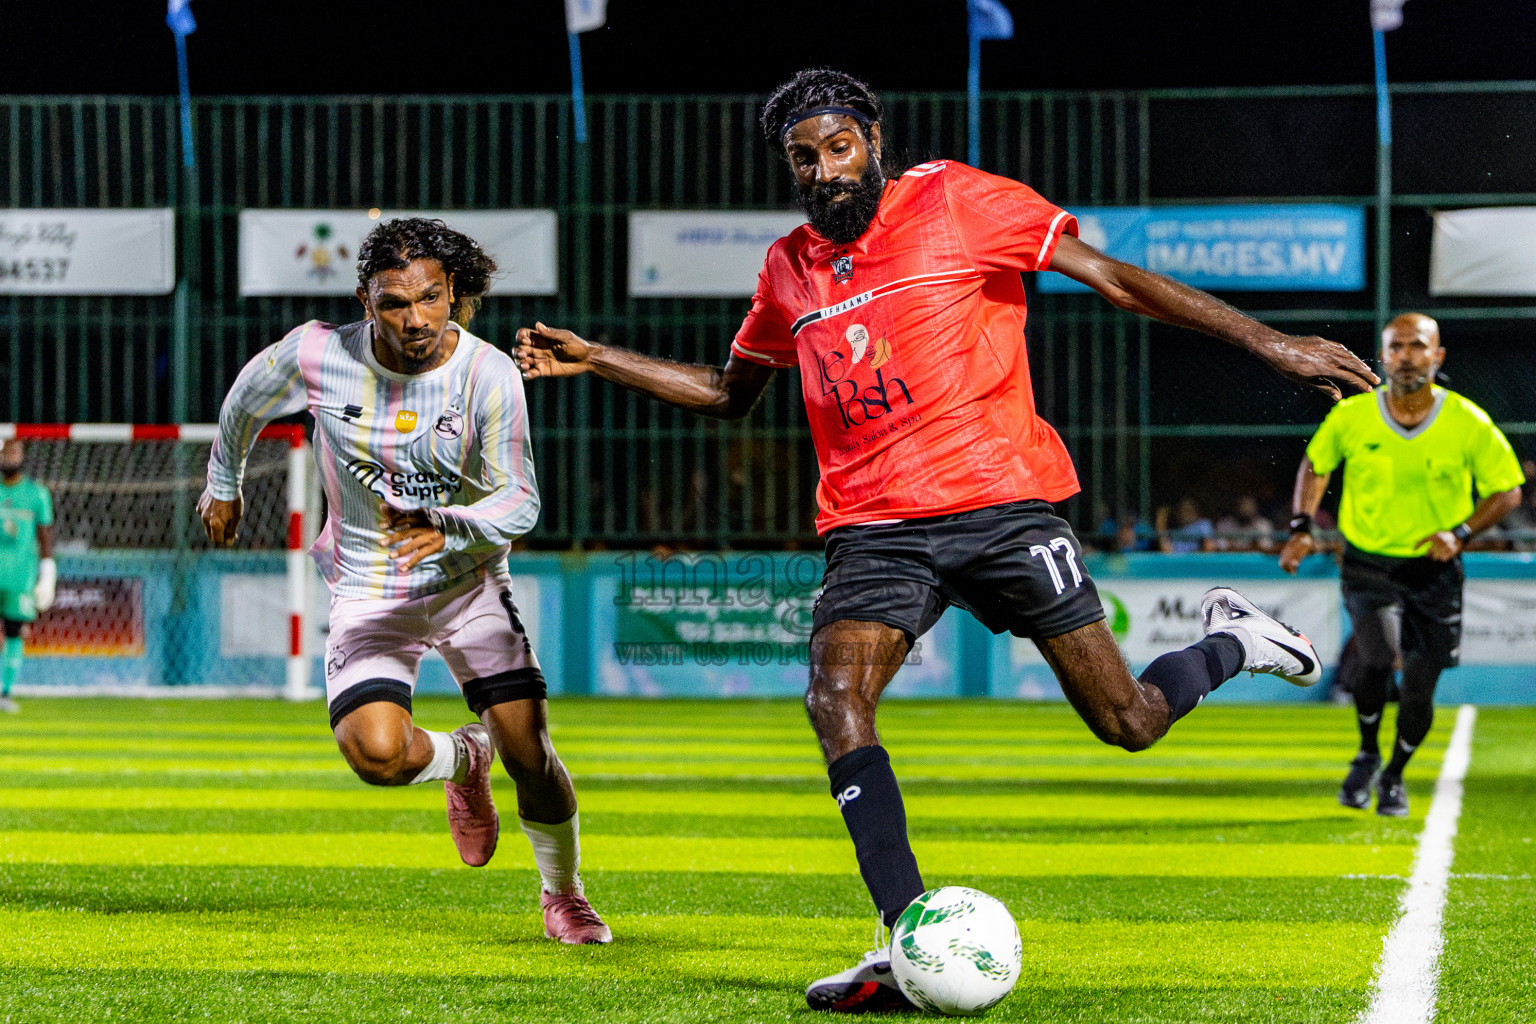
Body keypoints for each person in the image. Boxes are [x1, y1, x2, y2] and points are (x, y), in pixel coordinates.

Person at [516, 69, 1377, 1010]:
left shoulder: (959, 200)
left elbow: (1114, 277)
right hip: (874, 529)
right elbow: (730, 393)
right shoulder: (786, 267)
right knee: (834, 697)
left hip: (1000, 502)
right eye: (804, 158)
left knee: (1128, 721)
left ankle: (1234, 641)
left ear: (873, 139)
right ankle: (902, 936)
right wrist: (600, 357)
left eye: (837, 148)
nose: (823, 171)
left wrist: (1271, 344)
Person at [201, 218, 610, 944]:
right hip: (368, 587)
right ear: (366, 300)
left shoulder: (488, 374)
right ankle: (462, 756)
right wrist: (223, 484)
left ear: (452, 291)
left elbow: (524, 501)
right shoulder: (318, 353)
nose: (415, 319)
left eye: (430, 298)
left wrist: (448, 523)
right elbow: (243, 400)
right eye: (395, 303)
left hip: (470, 586)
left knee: (531, 755)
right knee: (377, 757)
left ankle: (564, 893)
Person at [1280, 312, 1522, 817]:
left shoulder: (1467, 421)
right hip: (1369, 563)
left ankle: (1393, 774)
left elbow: (1508, 490)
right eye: (1396, 347)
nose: (1406, 356)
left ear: (1438, 356)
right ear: (1383, 356)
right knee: (1376, 658)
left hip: (1434, 572)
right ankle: (1366, 753)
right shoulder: (1352, 416)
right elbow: (1316, 465)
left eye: (1417, 346)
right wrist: (1302, 527)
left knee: (1418, 688)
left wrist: (1458, 534)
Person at [0, 441, 56, 713]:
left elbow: (45, 535)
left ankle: (5, 692)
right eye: (4, 453)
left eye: (13, 452)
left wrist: (48, 571)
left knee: (14, 632)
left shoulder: (36, 494)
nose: (8, 458)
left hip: (19, 577)